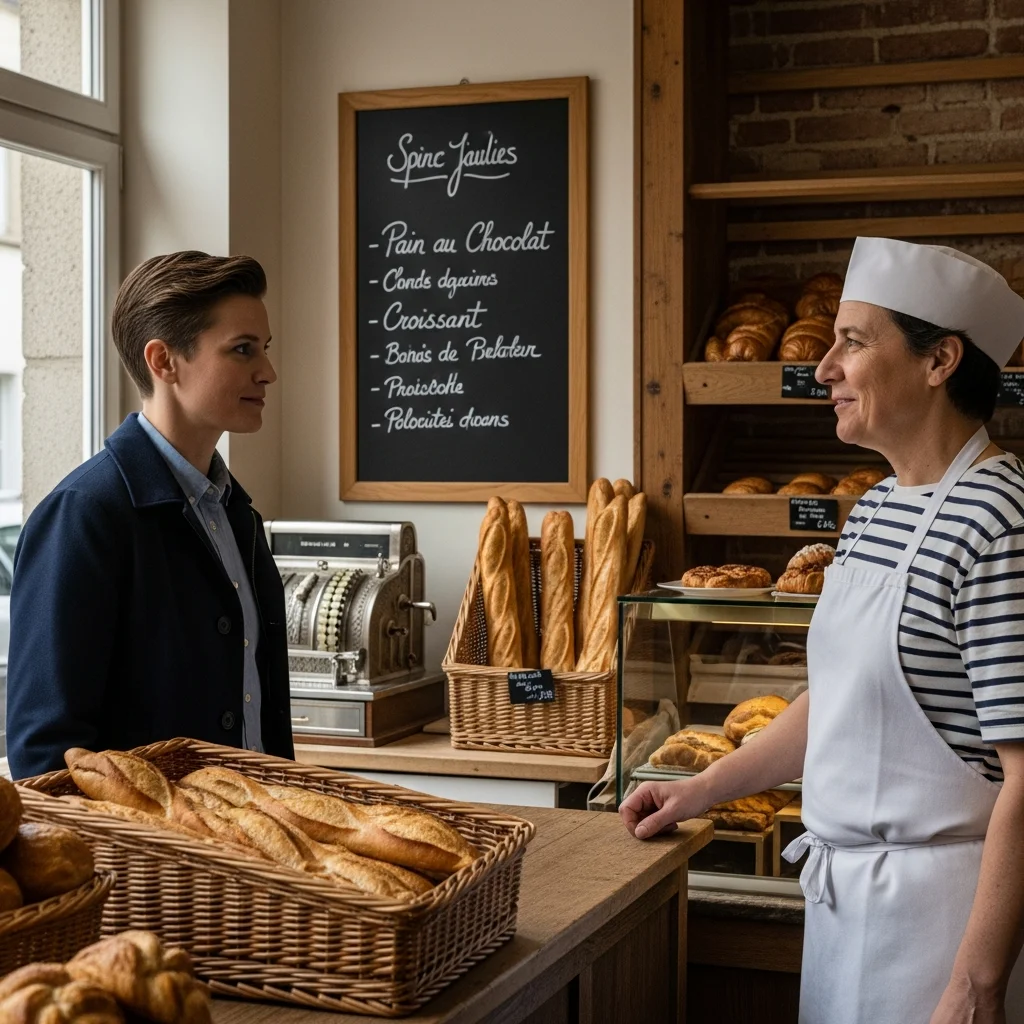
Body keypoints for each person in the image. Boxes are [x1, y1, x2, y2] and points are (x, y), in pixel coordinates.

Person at [621, 238, 1024, 1024]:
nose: (824, 368)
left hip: (946, 925)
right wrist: (698, 790)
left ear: (939, 360)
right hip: (844, 909)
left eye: (854, 342)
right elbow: (835, 704)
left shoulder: (1000, 523)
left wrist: (978, 985)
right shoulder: (874, 508)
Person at [6, 251, 294, 778]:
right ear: (163, 361)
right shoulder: (83, 516)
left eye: (265, 348)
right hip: (139, 837)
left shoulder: (237, 514)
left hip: (252, 828)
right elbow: (45, 756)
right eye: (243, 349)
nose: (268, 372)